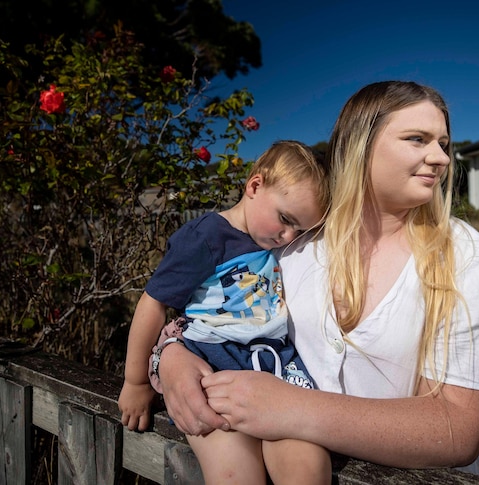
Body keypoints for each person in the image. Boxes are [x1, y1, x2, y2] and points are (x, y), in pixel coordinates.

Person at [153, 81, 479, 478]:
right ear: (360, 143)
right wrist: (172, 355)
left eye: (443, 143)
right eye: (417, 139)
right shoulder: (293, 239)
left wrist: (294, 409)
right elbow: (220, 310)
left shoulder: (460, 252)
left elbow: (457, 429)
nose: (440, 157)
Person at [119, 140, 332, 484]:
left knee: (306, 467)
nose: (289, 235)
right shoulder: (206, 238)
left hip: (277, 367)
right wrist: (136, 380)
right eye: (284, 219)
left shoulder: (277, 244)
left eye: (301, 230)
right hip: (213, 366)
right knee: (235, 473)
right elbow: (153, 302)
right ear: (254, 185)